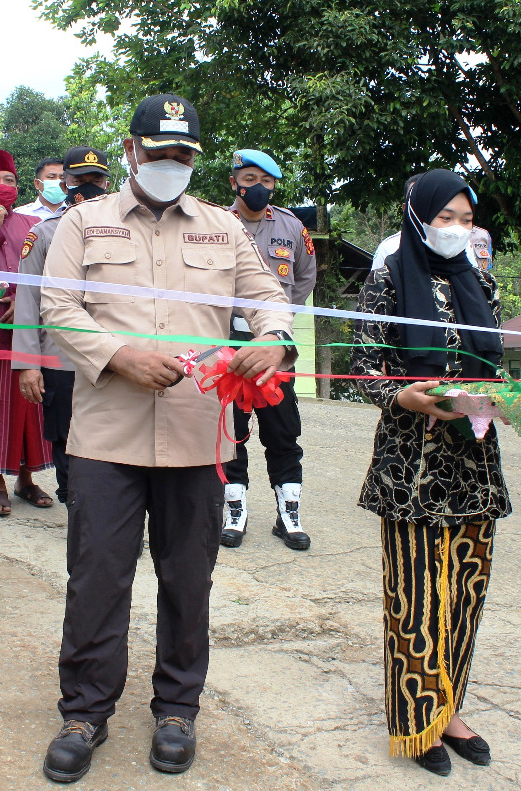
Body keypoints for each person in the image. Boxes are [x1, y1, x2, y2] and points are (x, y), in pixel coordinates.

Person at [38, 94, 294, 782]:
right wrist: (117, 356)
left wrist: (274, 340)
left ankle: (177, 709)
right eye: (157, 152)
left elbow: (267, 297)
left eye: (183, 154)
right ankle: (85, 713)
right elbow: (57, 306)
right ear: (130, 151)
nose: (169, 164)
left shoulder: (220, 228)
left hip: (197, 437)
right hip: (104, 438)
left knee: (189, 578)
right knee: (97, 577)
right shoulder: (82, 224)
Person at [349, 170, 507, 777]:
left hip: (474, 459)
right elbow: (364, 366)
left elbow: (491, 361)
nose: (457, 231)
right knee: (414, 594)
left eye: (466, 220)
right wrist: (405, 395)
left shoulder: (481, 282)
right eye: (446, 218)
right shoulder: (389, 278)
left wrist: (507, 398)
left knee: (465, 591)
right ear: (418, 217)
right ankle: (416, 722)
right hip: (411, 462)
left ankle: (450, 709)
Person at [221, 148, 316, 550]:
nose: (258, 188)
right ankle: (234, 510)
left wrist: (277, 327)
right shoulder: (216, 224)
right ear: (234, 182)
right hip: (228, 343)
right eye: (250, 180)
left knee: (282, 429)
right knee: (232, 430)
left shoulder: (293, 227)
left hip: (276, 346)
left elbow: (306, 277)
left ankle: (288, 513)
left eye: (267, 182)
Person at [12, 146, 112, 508]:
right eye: (78, 179)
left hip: (117, 357)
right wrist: (28, 363)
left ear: (107, 181)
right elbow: (27, 300)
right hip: (61, 359)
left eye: (96, 179)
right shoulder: (43, 234)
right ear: (65, 181)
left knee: (113, 439)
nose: (88, 186)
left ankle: (109, 510)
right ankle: (78, 510)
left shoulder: (127, 231)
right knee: (67, 440)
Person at [0, 150, 53, 515]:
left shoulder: (30, 224)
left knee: (28, 406)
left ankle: (26, 479)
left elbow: (43, 272)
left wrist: (21, 303)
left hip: (25, 332)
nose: (2, 187)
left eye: (8, 181)